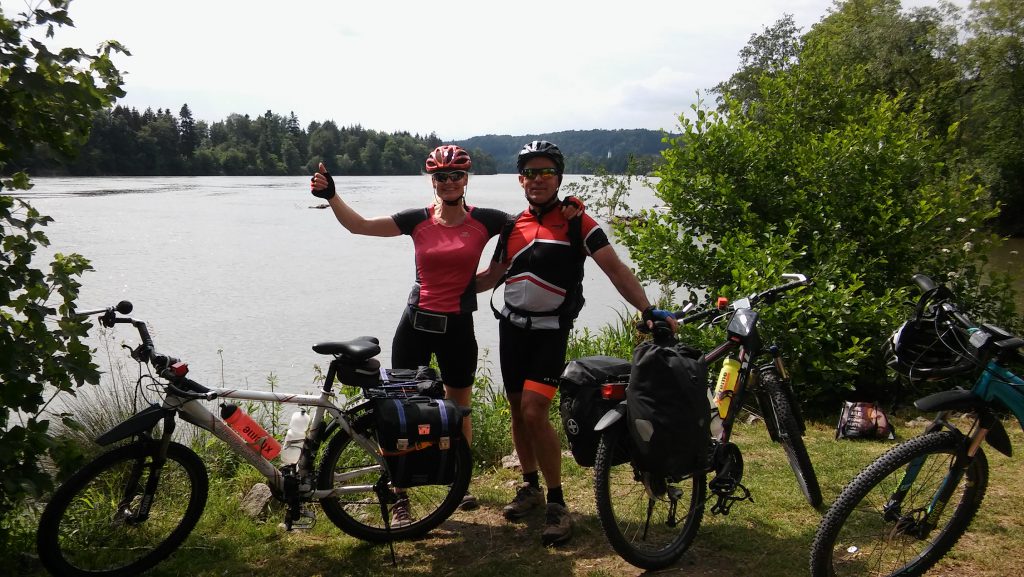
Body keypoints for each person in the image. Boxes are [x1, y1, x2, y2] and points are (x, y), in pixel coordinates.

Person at [310, 145, 582, 522]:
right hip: (416, 325)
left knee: (459, 410)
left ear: (466, 180)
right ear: (433, 182)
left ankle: (460, 482)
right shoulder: (416, 219)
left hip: (457, 327)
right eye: (441, 177)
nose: (449, 182)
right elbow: (360, 225)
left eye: (456, 176)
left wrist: (569, 206)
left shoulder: (488, 220)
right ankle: (399, 492)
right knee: (399, 410)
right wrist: (332, 196)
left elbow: (533, 221)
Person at [476, 140, 676, 546]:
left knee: (535, 410)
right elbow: (490, 277)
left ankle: (557, 501)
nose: (537, 179)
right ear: (520, 179)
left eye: (545, 171)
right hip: (511, 329)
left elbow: (616, 269)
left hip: (550, 331)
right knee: (516, 409)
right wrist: (440, 291)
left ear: (559, 177)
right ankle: (529, 486)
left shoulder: (577, 223)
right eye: (530, 172)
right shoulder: (512, 227)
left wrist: (647, 309)